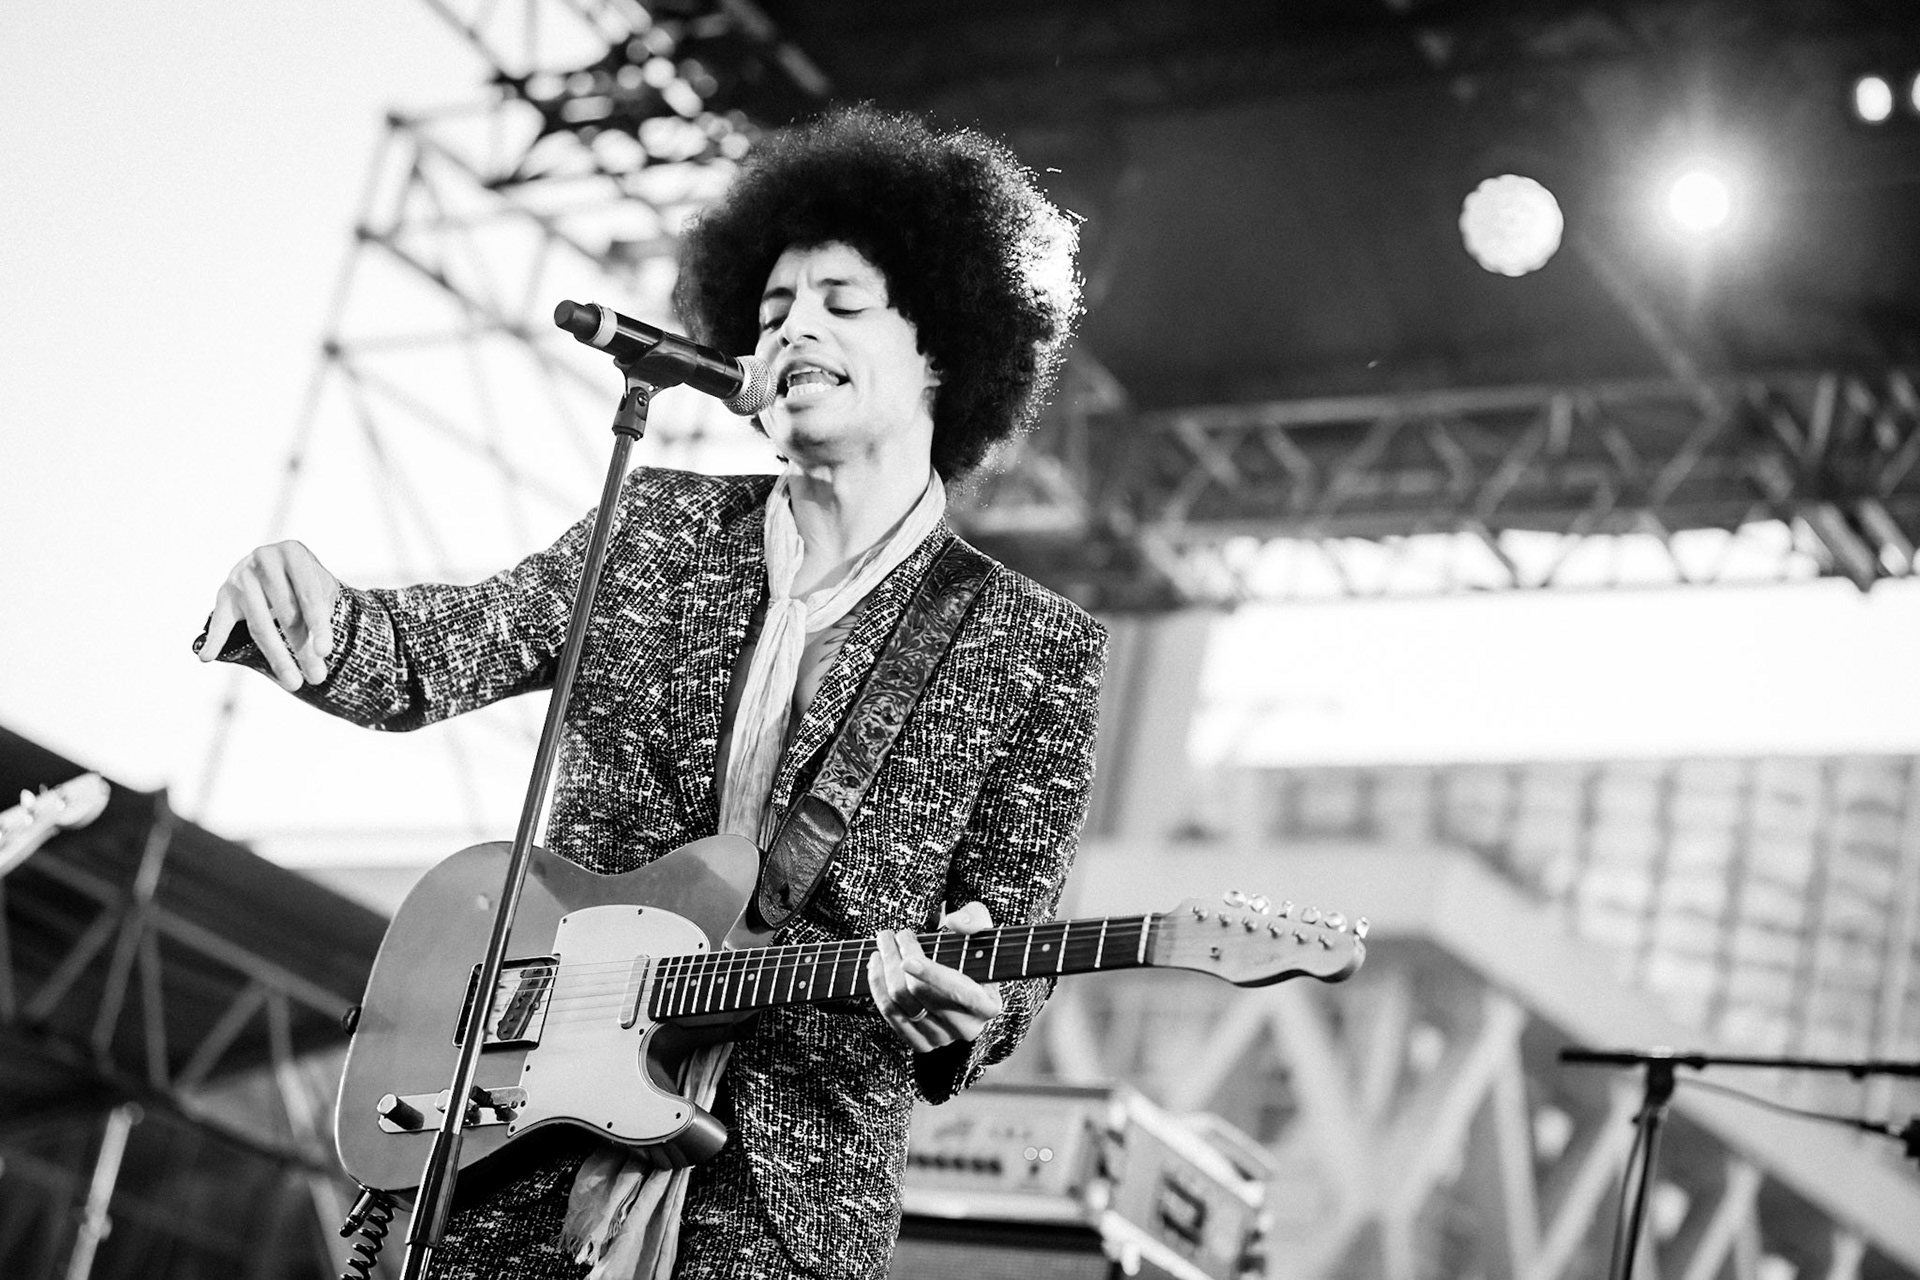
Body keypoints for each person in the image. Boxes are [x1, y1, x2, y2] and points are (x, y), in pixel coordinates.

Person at [196, 105, 1103, 1279]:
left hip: (777, 1203)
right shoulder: (655, 526)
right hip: (516, 1146)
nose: (795, 327)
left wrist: (974, 997)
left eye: (841, 302)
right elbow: (446, 645)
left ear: (945, 344)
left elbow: (1008, 951)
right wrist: (322, 619)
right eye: (772, 311)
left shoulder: (1032, 647)